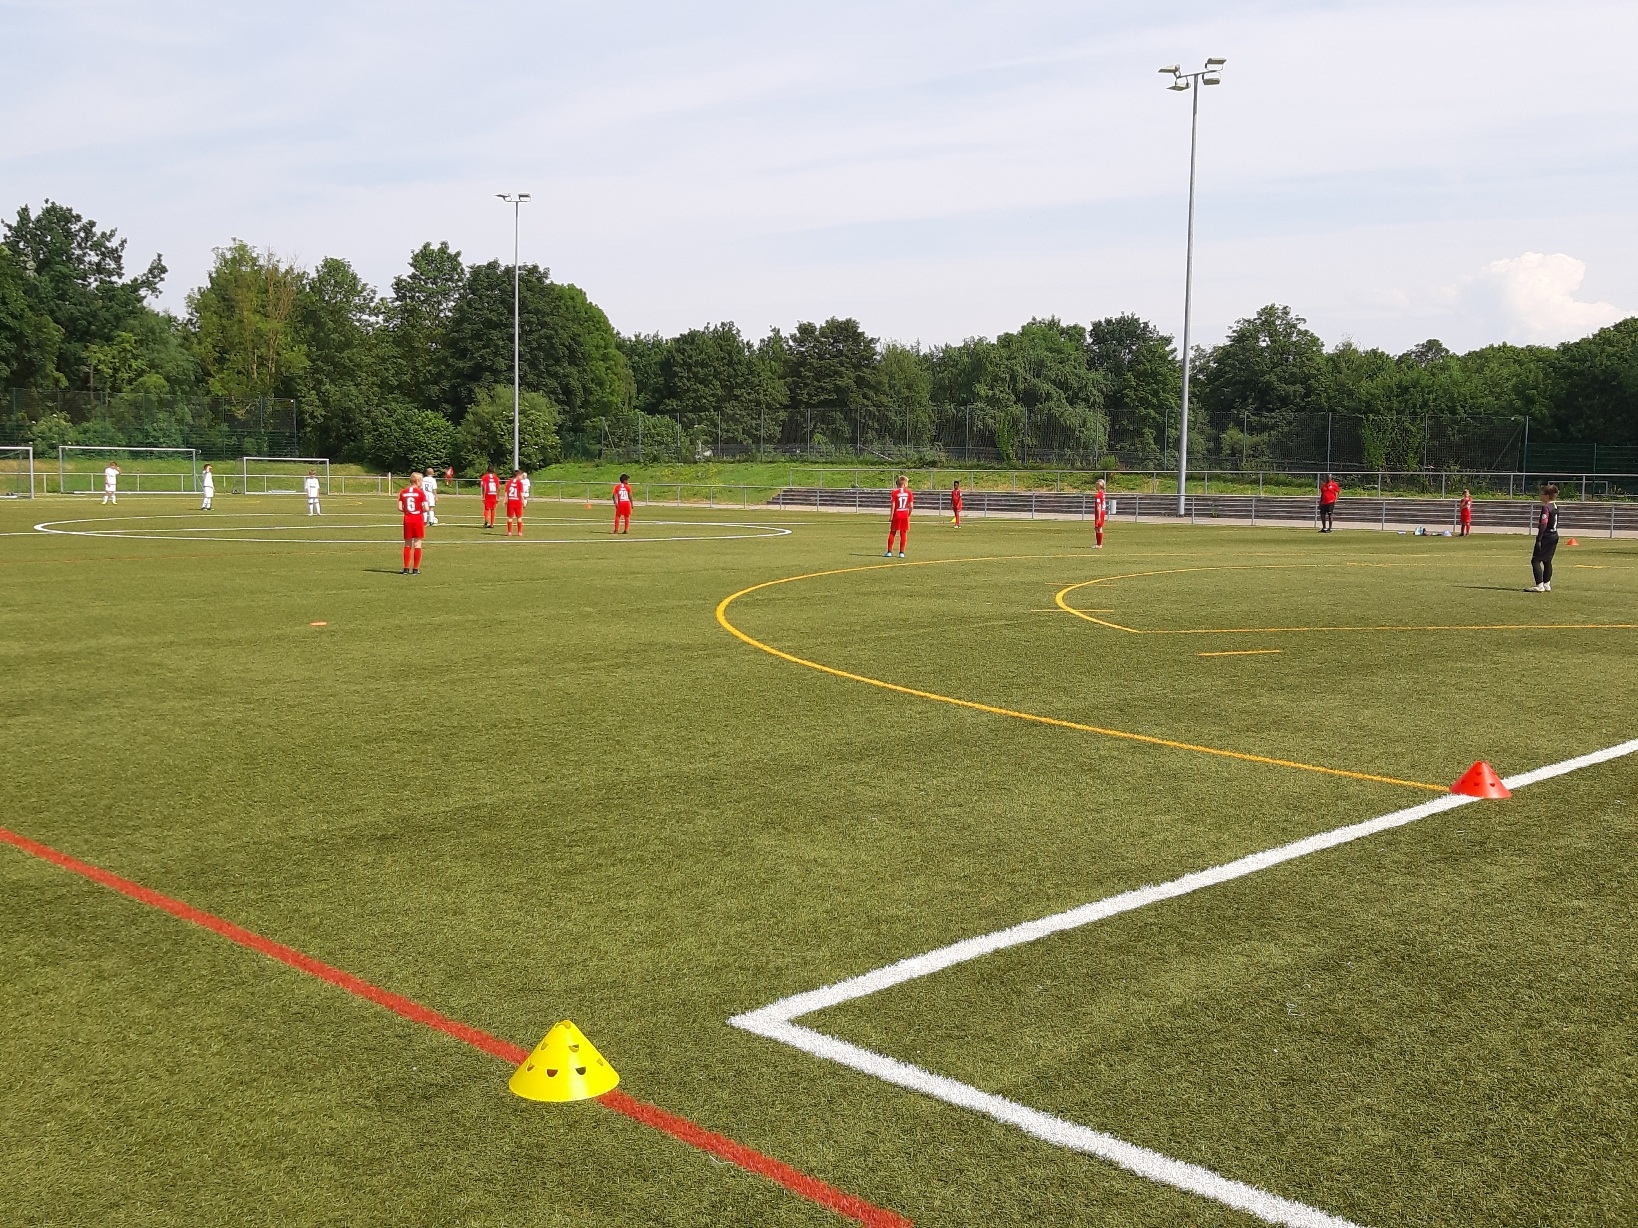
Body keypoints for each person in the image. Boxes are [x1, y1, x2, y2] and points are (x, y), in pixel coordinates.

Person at [1529, 483, 1560, 592]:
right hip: (1554, 535)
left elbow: (1544, 523)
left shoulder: (1546, 507)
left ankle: (1539, 585)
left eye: (1542, 494)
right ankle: (1547, 584)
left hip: (1546, 536)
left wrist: (1539, 539)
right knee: (1547, 560)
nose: (1540, 496)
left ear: (1547, 495)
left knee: (1535, 560)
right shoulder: (1555, 506)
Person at [399, 470, 429, 574]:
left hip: (408, 518)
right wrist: (420, 510)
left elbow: (400, 507)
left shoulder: (403, 492)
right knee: (417, 543)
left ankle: (406, 568)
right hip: (417, 518)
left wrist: (408, 511)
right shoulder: (420, 493)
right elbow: (426, 508)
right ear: (417, 481)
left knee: (407, 543)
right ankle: (415, 569)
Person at [884, 475, 913, 558]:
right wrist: (909, 514)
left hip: (897, 514)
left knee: (892, 532)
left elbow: (893, 505)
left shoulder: (895, 492)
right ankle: (901, 553)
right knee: (903, 533)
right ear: (905, 484)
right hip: (905, 514)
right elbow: (911, 506)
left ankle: (889, 552)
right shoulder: (909, 492)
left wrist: (891, 516)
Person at [505, 469, 526, 536]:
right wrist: (523, 501)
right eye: (521, 476)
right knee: (519, 517)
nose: (522, 477)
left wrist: (505, 500)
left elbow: (506, 492)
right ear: (518, 475)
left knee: (510, 517)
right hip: (517, 501)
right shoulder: (519, 483)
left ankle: (509, 532)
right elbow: (521, 493)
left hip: (510, 501)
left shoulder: (509, 482)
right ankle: (519, 532)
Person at [1094, 478, 1108, 548]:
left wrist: (1098, 516)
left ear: (1099, 485)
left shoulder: (1098, 495)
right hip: (1102, 512)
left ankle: (1099, 544)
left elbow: (1099, 506)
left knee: (1098, 527)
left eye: (1096, 484)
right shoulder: (1102, 494)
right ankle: (1098, 544)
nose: (1095, 486)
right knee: (1097, 527)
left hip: (1099, 513)